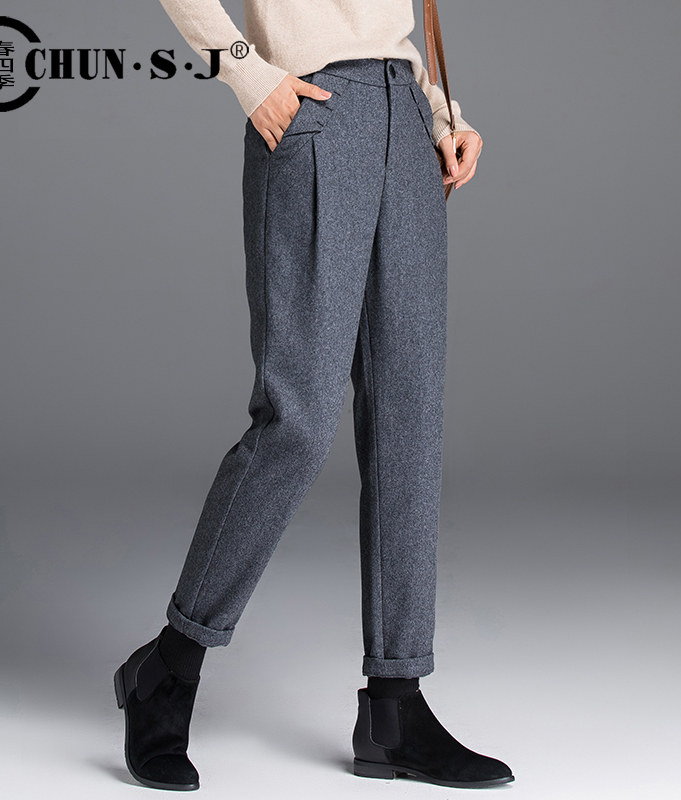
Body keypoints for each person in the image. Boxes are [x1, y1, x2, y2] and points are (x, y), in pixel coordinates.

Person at [114, 0, 512, 791]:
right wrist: (247, 73)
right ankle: (170, 666)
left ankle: (395, 708)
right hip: (315, 112)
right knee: (296, 420)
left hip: (408, 118)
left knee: (409, 421)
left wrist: (442, 113)